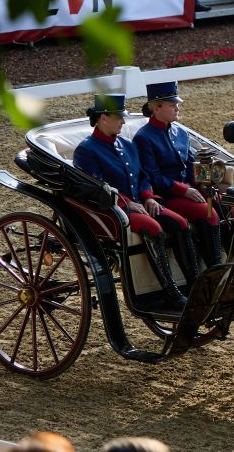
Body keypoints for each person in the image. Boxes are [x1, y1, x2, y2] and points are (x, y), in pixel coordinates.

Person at [73, 95, 194, 307]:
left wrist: (148, 197)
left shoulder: (127, 145)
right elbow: (98, 188)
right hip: (113, 209)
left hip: (140, 204)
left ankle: (193, 284)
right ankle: (170, 291)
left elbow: (142, 177)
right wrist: (128, 203)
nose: (123, 121)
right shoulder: (86, 150)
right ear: (103, 118)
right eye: (118, 117)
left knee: (180, 224)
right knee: (153, 227)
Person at [134, 81, 225, 277]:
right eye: (172, 104)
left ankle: (232, 261)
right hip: (167, 197)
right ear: (157, 107)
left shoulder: (181, 132)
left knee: (224, 204)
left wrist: (206, 184)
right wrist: (184, 190)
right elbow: (152, 176)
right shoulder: (144, 138)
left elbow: (193, 166)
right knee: (208, 212)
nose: (177, 107)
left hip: (189, 192)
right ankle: (214, 271)